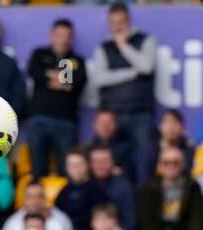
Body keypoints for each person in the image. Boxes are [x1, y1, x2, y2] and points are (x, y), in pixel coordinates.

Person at [89, 3, 157, 184]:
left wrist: (124, 46)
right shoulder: (103, 47)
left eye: (121, 22)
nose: (117, 27)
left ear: (128, 21)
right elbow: (100, 79)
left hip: (140, 113)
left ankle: (142, 202)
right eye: (113, 23)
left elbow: (147, 67)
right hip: (112, 115)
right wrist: (131, 72)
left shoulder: (146, 40)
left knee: (143, 161)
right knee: (110, 162)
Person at [25, 19, 86, 179]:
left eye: (67, 36)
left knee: (66, 171)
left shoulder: (76, 60)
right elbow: (34, 72)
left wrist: (51, 77)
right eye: (60, 35)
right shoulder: (40, 54)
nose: (63, 39)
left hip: (65, 122)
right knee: (37, 170)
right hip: (39, 120)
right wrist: (62, 81)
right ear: (51, 35)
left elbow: (78, 82)